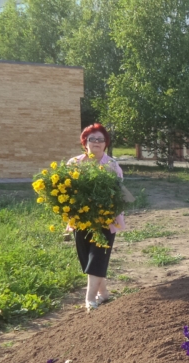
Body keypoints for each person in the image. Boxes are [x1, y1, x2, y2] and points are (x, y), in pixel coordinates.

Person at [68, 123, 127, 312]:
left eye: (101, 139)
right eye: (92, 139)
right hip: (81, 218)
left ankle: (90, 298)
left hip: (105, 218)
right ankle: (104, 293)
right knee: (86, 258)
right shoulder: (74, 164)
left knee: (98, 257)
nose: (96, 142)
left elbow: (119, 194)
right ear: (85, 142)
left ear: (105, 144)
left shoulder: (112, 165)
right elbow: (67, 191)